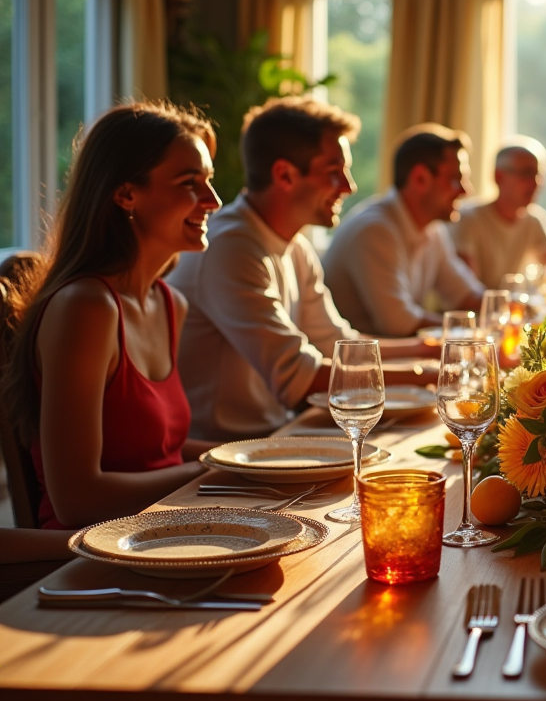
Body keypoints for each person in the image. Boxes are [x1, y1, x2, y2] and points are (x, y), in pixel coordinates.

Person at [2, 103, 219, 528]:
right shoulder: (86, 308)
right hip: (88, 564)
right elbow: (78, 502)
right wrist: (210, 473)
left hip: (164, 534)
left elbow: (159, 453)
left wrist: (255, 458)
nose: (213, 201)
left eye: (208, 181)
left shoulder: (169, 304)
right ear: (125, 194)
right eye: (189, 183)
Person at [168, 97, 434, 442]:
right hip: (225, 458)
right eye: (333, 171)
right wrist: (429, 373)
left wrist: (429, 350)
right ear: (285, 175)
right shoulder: (232, 247)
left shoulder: (294, 246)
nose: (349, 186)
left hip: (280, 435)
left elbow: (339, 346)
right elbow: (299, 376)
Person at [324, 124, 486, 336]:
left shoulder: (432, 230)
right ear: (420, 178)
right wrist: (476, 331)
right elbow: (400, 324)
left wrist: (510, 309)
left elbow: (466, 294)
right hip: (361, 364)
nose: (466, 190)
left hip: (392, 358)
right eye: (456, 179)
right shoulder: (374, 231)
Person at [451, 136, 546, 289]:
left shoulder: (534, 220)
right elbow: (467, 292)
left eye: (538, 174)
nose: (536, 183)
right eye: (526, 173)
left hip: (507, 309)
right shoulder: (468, 219)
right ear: (498, 176)